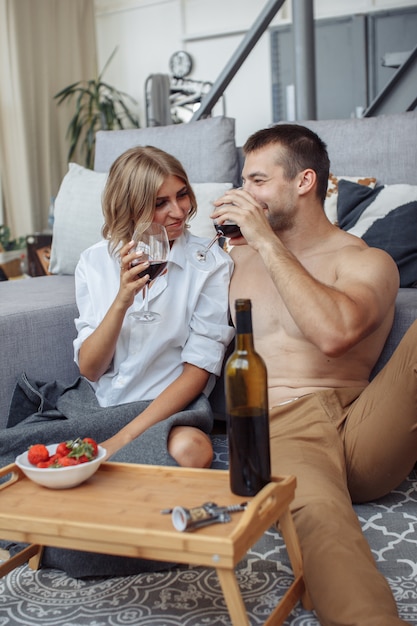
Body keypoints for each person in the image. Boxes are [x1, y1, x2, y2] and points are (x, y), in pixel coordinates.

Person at [211, 123, 416, 626]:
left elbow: (333, 334)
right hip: (287, 422)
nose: (244, 194)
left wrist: (264, 242)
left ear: (304, 182)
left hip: (365, 430)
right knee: (321, 519)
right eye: (243, 180)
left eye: (257, 181)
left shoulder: (366, 261)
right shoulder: (233, 261)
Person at [0, 145, 234, 576]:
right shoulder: (96, 262)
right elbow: (90, 369)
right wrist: (122, 300)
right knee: (13, 461)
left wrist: (122, 439)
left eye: (182, 195)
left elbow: (198, 372)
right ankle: (91, 509)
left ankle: (81, 529)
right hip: (100, 403)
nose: (180, 211)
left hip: (169, 404)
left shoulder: (209, 262)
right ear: (129, 206)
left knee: (190, 449)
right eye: (160, 202)